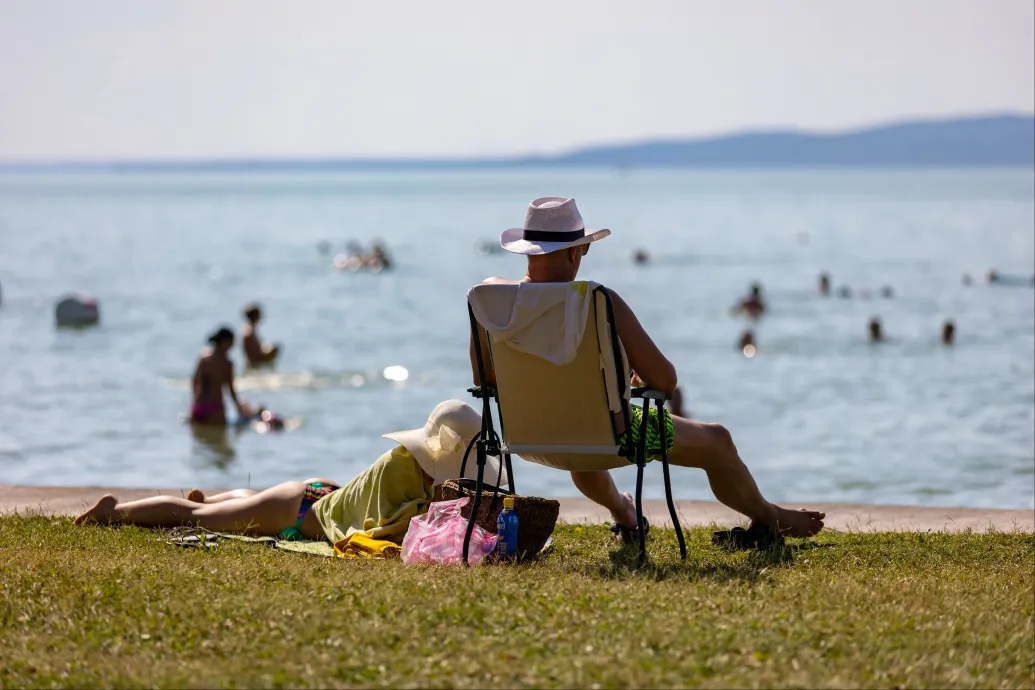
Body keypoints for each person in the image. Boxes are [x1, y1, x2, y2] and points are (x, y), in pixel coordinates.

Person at [470, 196, 824, 542]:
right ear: (576, 251)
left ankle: (625, 513)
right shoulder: (597, 301)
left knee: (582, 434)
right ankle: (771, 518)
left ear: (527, 251)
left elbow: (484, 380)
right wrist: (624, 377)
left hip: (529, 438)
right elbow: (666, 381)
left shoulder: (490, 303)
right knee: (718, 440)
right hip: (610, 438)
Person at [77, 401, 502, 546]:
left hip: (317, 495)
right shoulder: (404, 476)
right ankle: (115, 512)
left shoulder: (407, 463)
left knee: (245, 506)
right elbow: (394, 530)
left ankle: (214, 498)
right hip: (299, 511)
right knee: (196, 520)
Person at [190, 327, 252, 425]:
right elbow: (231, 389)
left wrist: (195, 402)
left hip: (199, 406)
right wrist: (238, 408)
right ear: (224, 342)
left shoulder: (204, 358)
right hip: (215, 408)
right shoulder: (227, 363)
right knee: (219, 438)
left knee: (201, 437)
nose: (233, 345)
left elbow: (195, 382)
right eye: (231, 342)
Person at [241, 303, 280, 368]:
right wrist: (269, 353)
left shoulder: (250, 331)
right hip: (255, 366)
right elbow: (254, 354)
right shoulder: (249, 333)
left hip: (255, 364)